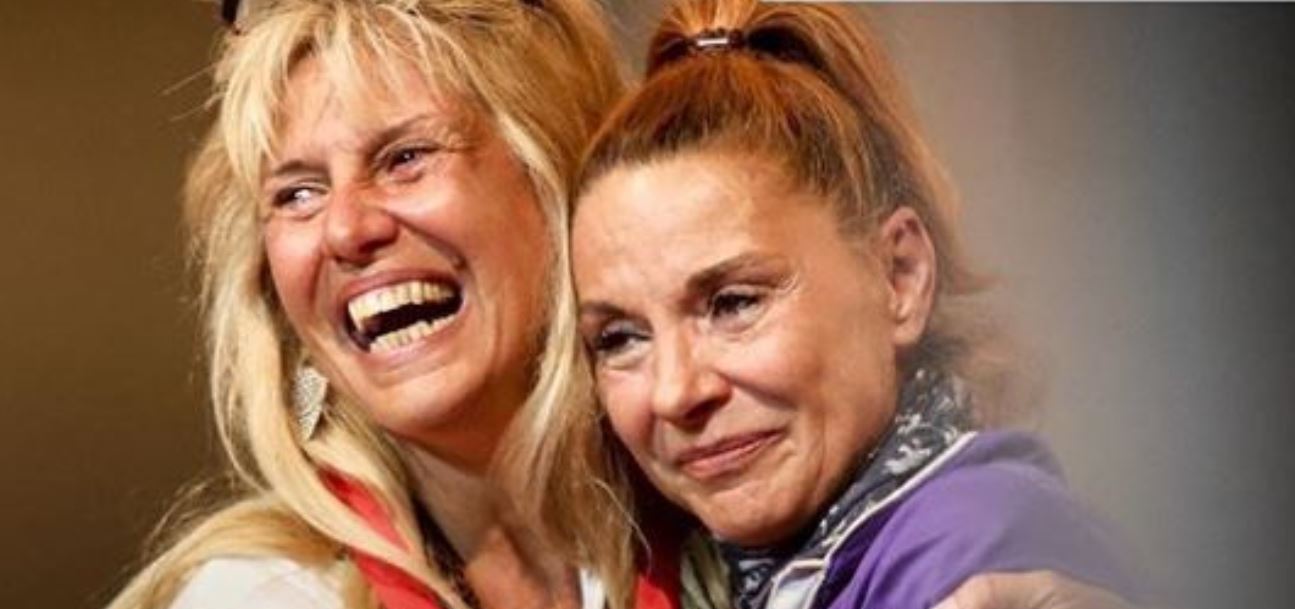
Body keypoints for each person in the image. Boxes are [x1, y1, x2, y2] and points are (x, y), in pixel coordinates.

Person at [560, 1, 1141, 608]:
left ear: (900, 276)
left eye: (734, 304)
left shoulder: (972, 560)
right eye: (620, 338)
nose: (675, 392)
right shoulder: (779, 568)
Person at [107, 1, 636, 608]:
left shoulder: (720, 517)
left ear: (558, 176)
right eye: (297, 194)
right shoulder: (265, 596)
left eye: (405, 158)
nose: (346, 230)